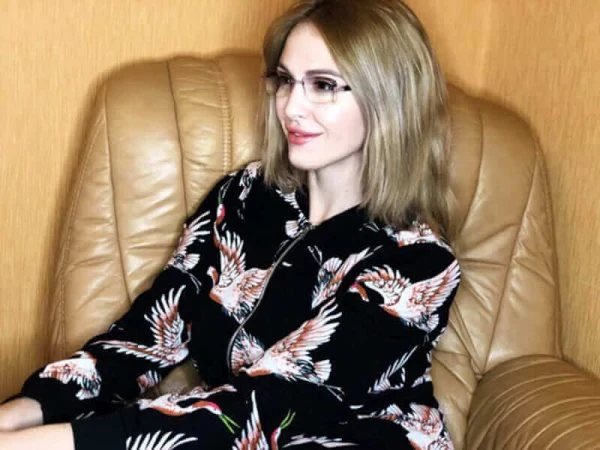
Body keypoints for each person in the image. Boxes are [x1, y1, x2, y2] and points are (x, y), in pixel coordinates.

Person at [0, 0, 460, 448]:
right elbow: (149, 333)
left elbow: (265, 405)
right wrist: (22, 413)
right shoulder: (243, 196)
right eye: (285, 81)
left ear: (388, 99)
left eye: (323, 85)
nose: (291, 108)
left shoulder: (419, 264)